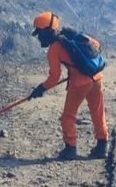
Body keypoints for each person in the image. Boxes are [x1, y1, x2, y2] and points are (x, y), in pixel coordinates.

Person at [28, 11, 108, 160]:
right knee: (97, 112)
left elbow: (54, 77)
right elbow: (96, 45)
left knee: (68, 117)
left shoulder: (54, 49)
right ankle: (102, 146)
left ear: (48, 31)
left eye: (40, 33)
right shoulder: (73, 35)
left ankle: (70, 149)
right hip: (96, 78)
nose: (39, 37)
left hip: (80, 84)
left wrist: (41, 89)